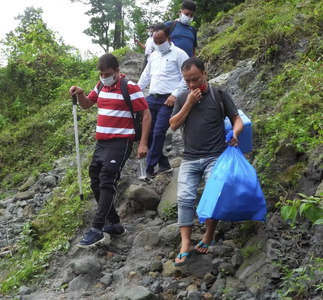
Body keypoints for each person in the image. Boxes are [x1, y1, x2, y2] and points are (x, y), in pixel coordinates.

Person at [69, 53, 151, 248]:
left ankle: (97, 228)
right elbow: (88, 104)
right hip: (102, 143)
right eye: (101, 73)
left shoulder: (129, 87)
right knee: (95, 180)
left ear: (117, 71)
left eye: (107, 73)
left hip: (120, 142)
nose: (103, 76)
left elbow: (146, 115)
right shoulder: (100, 86)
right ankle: (114, 224)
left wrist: (143, 143)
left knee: (107, 182)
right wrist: (80, 93)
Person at [169, 57, 244, 265]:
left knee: (213, 196)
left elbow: (236, 118)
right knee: (184, 199)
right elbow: (173, 125)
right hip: (190, 157)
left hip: (215, 156)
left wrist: (236, 133)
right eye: (187, 81)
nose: (192, 84)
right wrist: (189, 103)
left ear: (204, 73)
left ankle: (208, 235)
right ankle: (185, 243)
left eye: (195, 79)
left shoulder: (219, 94)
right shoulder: (183, 97)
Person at [138, 24, 189, 181]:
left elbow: (186, 78)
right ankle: (163, 162)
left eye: (161, 41)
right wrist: (136, 93)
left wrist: (174, 95)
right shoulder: (153, 56)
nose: (158, 45)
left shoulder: (180, 55)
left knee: (159, 131)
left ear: (169, 38)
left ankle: (148, 169)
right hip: (152, 98)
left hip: (168, 100)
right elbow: (145, 77)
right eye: (156, 42)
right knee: (147, 131)